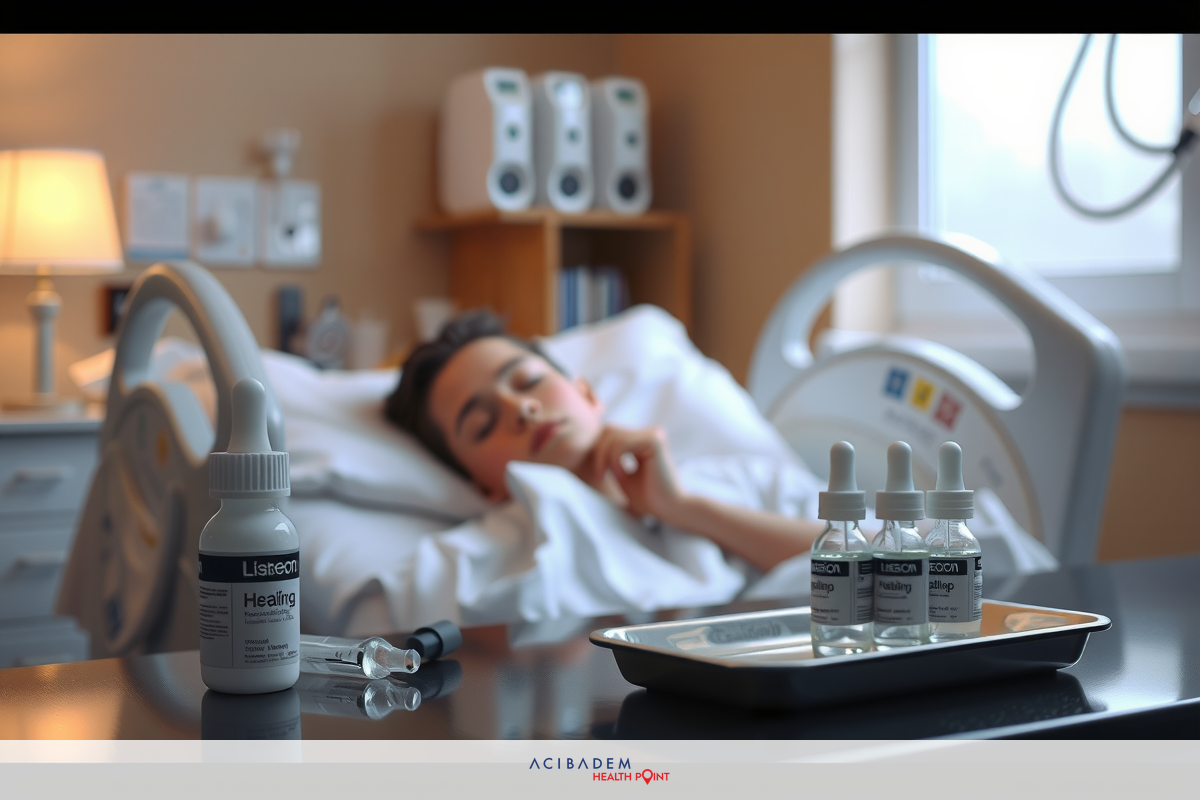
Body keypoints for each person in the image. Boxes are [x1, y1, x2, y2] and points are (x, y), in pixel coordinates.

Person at [384, 309, 823, 573]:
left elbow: (874, 568)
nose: (521, 409)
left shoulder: (740, 482)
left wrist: (684, 509)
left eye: (528, 381)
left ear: (588, 394)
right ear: (482, 485)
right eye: (482, 425)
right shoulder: (491, 556)